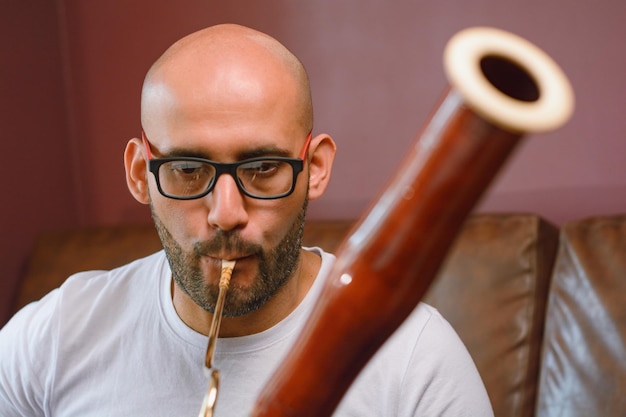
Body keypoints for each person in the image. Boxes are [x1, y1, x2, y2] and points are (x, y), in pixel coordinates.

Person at [0, 24, 493, 416]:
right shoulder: (54, 336)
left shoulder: (418, 360)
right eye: (189, 170)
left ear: (314, 169)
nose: (226, 214)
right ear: (139, 173)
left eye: (262, 169)